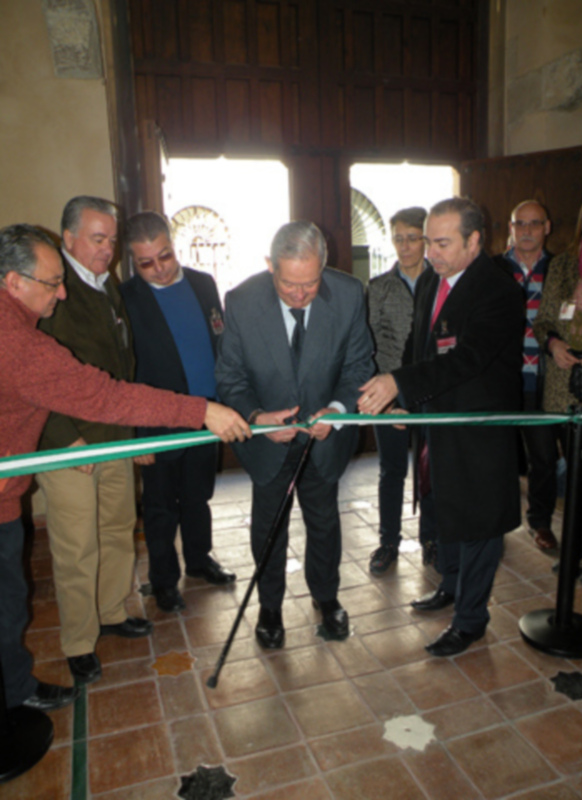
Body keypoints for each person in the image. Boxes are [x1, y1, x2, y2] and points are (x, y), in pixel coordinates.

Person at [0, 223, 249, 711]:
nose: (62, 292)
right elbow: (103, 393)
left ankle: (16, 690)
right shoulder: (17, 343)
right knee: (8, 607)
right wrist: (199, 411)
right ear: (14, 282)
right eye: (52, 283)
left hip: (12, 488)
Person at [358, 197, 523, 657]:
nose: (429, 251)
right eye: (428, 240)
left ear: (475, 241)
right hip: (437, 419)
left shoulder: (499, 290)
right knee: (447, 508)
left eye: (442, 242)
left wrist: (400, 384)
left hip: (477, 428)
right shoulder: (433, 278)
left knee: (479, 523)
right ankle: (450, 586)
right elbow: (421, 343)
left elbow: (466, 359)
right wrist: (406, 398)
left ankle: (470, 620)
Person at [216, 220, 373, 649]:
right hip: (270, 443)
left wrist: (339, 411)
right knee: (269, 526)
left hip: (323, 438)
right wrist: (257, 416)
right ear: (270, 266)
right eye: (289, 285)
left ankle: (326, 597)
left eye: (310, 283)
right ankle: (270, 607)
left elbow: (359, 366)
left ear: (324, 265)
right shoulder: (242, 301)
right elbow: (229, 377)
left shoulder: (347, 294)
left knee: (323, 521)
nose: (301, 295)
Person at [121, 211, 235, 614]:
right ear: (132, 262)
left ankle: (200, 561)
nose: (159, 269)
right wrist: (136, 435)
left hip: (208, 414)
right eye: (146, 263)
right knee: (159, 507)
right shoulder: (126, 298)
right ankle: (164, 580)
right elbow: (124, 372)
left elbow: (218, 341)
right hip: (157, 423)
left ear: (174, 244)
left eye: (165, 256)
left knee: (197, 497)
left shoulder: (204, 284)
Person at [533, 186, 582, 584]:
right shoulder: (560, 265)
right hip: (565, 386)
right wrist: (553, 343)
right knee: (577, 477)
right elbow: (543, 321)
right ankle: (576, 549)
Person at [367, 206, 431, 575]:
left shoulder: (439, 283)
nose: (405, 247)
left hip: (429, 389)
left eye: (412, 238)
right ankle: (388, 541)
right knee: (392, 469)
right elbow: (368, 345)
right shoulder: (378, 288)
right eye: (399, 239)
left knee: (431, 467)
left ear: (424, 239)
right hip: (388, 391)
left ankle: (432, 539)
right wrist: (383, 395)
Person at [493, 200, 560, 554]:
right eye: (522, 223)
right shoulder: (493, 269)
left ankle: (541, 523)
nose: (528, 230)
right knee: (495, 457)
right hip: (501, 382)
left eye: (536, 223)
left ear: (547, 227)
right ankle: (493, 523)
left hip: (543, 381)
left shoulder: (562, 270)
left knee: (544, 458)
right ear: (512, 226)